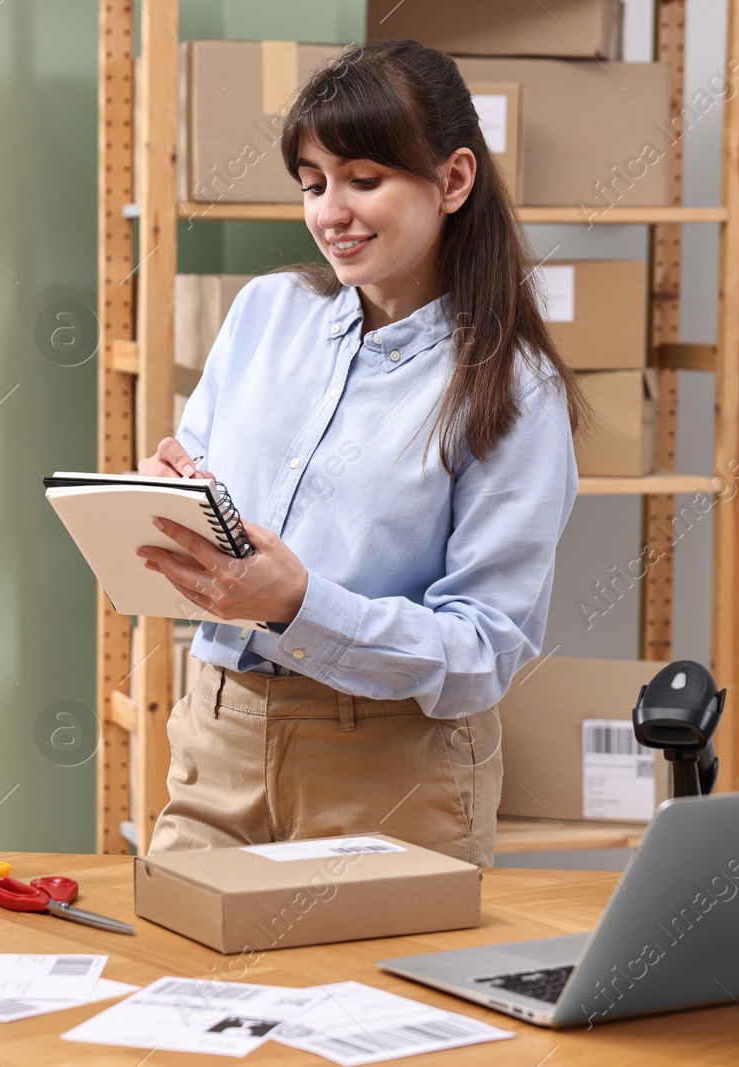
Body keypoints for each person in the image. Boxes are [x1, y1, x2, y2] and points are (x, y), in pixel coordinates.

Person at [135, 39, 586, 867]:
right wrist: (171, 498)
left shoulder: (514, 388)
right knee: (181, 981)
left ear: (453, 180)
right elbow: (198, 473)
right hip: (218, 729)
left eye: (363, 181)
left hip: (388, 766)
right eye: (312, 184)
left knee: (370, 999)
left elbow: (484, 649)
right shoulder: (267, 313)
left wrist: (303, 603)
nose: (329, 213)